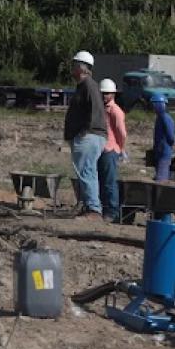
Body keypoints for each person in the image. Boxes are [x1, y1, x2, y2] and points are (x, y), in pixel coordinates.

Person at [63, 50, 107, 219]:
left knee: (87, 171)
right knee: (86, 171)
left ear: (81, 67)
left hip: (89, 135)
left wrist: (85, 132)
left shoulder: (89, 85)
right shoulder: (84, 86)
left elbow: (95, 111)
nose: (72, 69)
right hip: (88, 135)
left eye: (74, 65)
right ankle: (88, 205)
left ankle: (94, 209)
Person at [96, 78, 127, 223]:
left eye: (106, 93)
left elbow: (122, 133)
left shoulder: (116, 111)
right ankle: (103, 208)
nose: (103, 96)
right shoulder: (101, 108)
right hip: (100, 149)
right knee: (101, 181)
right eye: (102, 93)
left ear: (113, 94)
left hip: (110, 150)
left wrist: (120, 148)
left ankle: (112, 212)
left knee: (109, 182)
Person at [152, 94, 175, 182]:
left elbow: (171, 136)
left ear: (161, 105)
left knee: (161, 179)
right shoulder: (159, 118)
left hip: (164, 153)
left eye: (155, 104)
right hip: (159, 152)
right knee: (158, 176)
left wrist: (165, 146)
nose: (153, 107)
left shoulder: (165, 118)